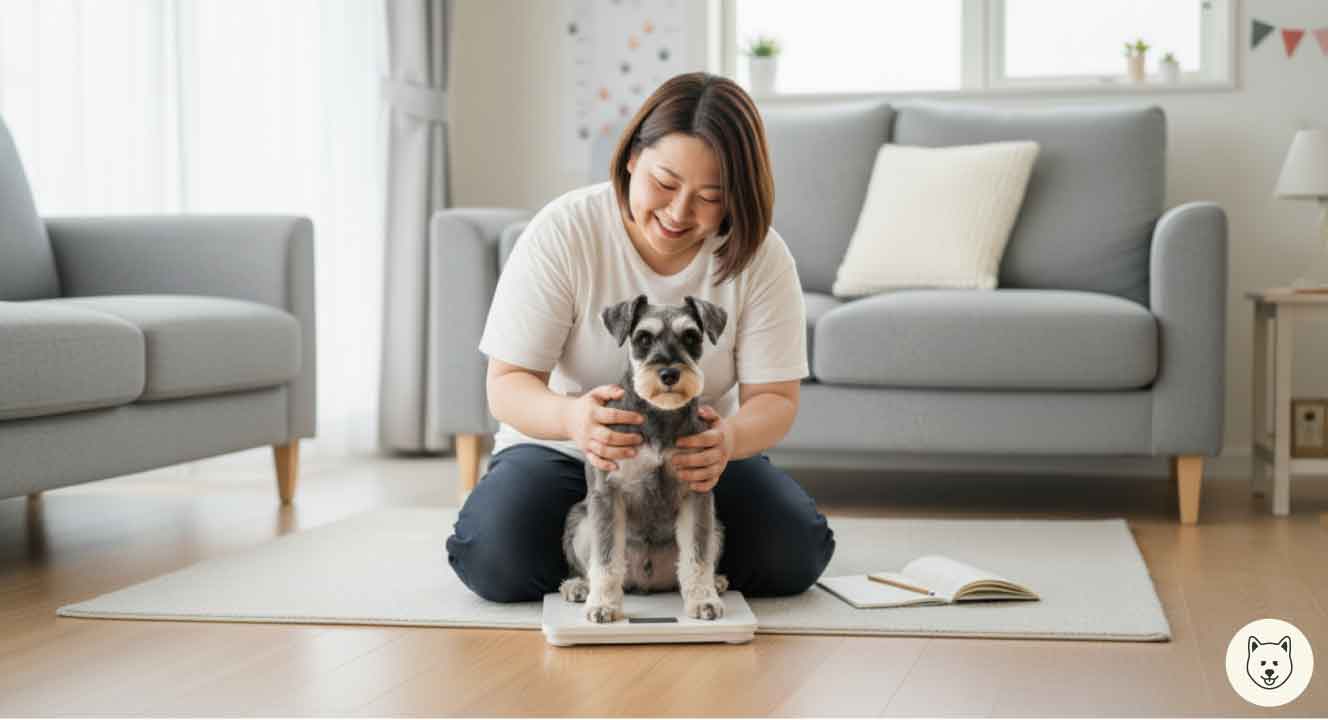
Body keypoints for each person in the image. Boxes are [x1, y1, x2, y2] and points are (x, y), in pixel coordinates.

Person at [446, 72, 835, 602]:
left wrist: (728, 442)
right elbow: (506, 383)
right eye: (665, 183)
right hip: (564, 451)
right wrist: (573, 418)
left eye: (710, 197)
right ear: (631, 157)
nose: (679, 213)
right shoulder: (564, 231)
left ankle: (665, 564)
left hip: (698, 459)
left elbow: (776, 398)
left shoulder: (759, 255)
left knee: (796, 553)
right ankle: (610, 560)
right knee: (491, 557)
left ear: (735, 198)